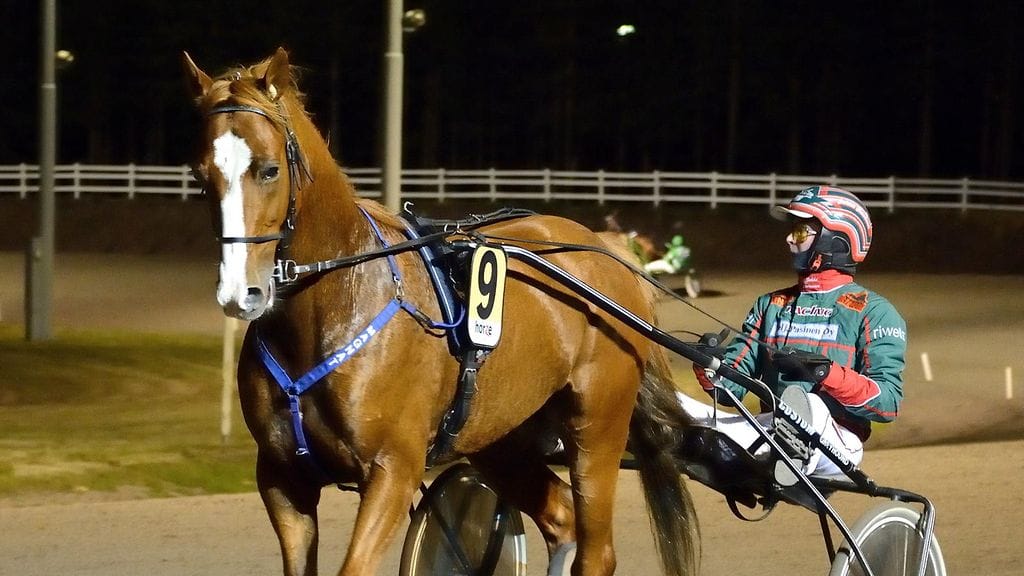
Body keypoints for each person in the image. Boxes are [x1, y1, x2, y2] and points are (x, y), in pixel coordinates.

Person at [677, 185, 907, 477]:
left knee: (810, 405)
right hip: (767, 428)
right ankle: (761, 450)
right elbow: (731, 391)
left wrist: (825, 373)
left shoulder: (875, 311)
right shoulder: (769, 305)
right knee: (670, 403)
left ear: (834, 240)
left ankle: (786, 453)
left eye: (800, 232)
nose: (788, 238)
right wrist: (709, 366)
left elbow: (888, 404)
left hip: (838, 442)